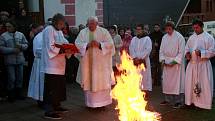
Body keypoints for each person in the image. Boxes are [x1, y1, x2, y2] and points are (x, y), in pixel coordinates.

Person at [75, 16, 115, 108]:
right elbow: (77, 44)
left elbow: (110, 44)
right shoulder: (83, 32)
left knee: (101, 82)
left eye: (93, 24)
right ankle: (90, 104)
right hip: (87, 64)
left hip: (101, 64)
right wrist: (87, 45)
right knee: (89, 81)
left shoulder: (103, 32)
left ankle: (102, 104)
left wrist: (100, 45)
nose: (91, 25)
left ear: (97, 24)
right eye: (89, 24)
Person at [41, 13, 73, 119]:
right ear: (55, 22)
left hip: (59, 65)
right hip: (51, 66)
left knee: (59, 88)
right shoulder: (48, 30)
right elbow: (50, 46)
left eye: (63, 24)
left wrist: (70, 47)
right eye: (60, 24)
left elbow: (64, 42)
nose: (62, 26)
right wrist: (64, 49)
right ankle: (49, 110)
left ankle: (57, 106)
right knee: (51, 89)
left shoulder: (59, 31)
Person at [185, 19, 215, 109]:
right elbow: (187, 48)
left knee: (204, 84)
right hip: (192, 64)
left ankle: (203, 104)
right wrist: (187, 54)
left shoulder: (209, 38)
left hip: (203, 65)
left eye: (197, 28)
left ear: (202, 27)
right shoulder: (191, 38)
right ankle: (191, 102)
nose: (195, 30)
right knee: (191, 84)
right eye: (194, 28)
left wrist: (201, 53)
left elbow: (213, 52)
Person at [0, 20, 28, 102]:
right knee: (12, 78)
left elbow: (26, 45)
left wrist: (21, 46)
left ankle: (19, 94)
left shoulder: (20, 34)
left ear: (14, 26)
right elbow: (1, 48)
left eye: (9, 26)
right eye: (7, 26)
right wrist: (12, 50)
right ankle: (11, 95)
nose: (8, 28)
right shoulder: (3, 36)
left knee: (20, 77)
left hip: (20, 59)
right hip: (10, 60)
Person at [159, 21, 186, 108]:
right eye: (166, 29)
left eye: (169, 29)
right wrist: (162, 60)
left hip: (176, 63)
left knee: (177, 82)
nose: (168, 31)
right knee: (166, 82)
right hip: (166, 62)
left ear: (173, 28)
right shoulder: (164, 37)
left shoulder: (179, 37)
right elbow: (161, 50)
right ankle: (168, 99)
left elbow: (182, 52)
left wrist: (174, 62)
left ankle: (178, 101)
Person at [129, 24, 152, 99]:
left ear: (142, 30)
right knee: (136, 76)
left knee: (145, 76)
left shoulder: (147, 38)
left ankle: (145, 92)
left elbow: (148, 49)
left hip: (144, 60)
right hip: (135, 60)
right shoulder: (134, 39)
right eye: (137, 29)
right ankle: (136, 91)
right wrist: (135, 57)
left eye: (139, 29)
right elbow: (131, 49)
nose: (138, 31)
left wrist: (141, 57)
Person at [27, 29, 44, 105]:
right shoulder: (38, 37)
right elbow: (37, 51)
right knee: (39, 82)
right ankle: (40, 100)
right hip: (40, 63)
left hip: (48, 63)